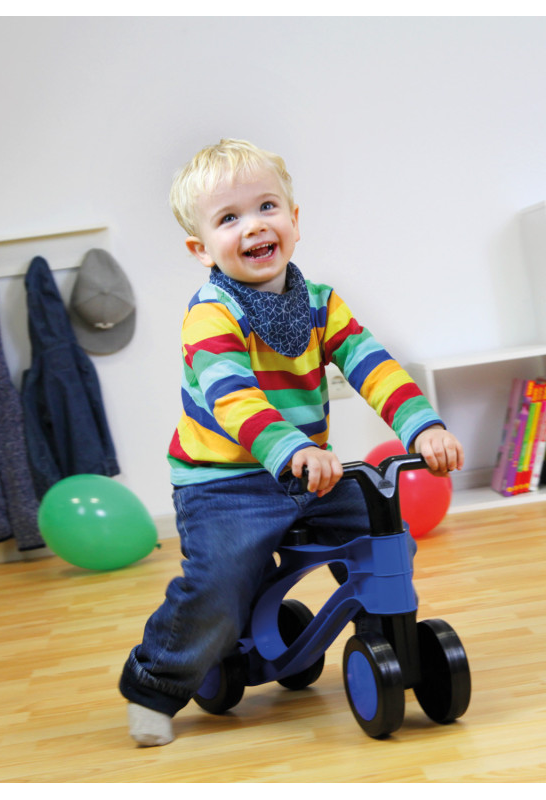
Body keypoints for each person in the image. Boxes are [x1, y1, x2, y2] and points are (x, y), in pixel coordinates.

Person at [119, 138, 465, 746]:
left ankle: (387, 640)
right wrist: (291, 450)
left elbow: (372, 365)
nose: (253, 226)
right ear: (201, 248)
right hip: (225, 483)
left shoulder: (321, 303)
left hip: (312, 475)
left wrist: (422, 426)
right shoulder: (211, 315)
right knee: (219, 582)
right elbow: (235, 399)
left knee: (384, 538)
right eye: (229, 219)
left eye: (266, 207)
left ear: (294, 221)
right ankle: (157, 680)